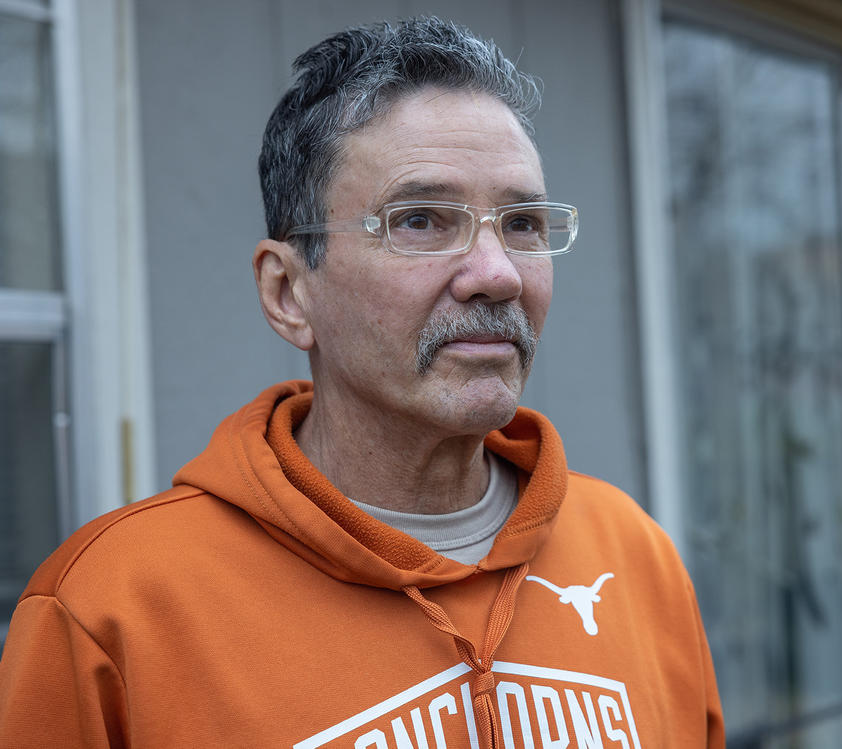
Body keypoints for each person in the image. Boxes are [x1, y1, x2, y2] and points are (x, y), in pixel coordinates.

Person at [0, 17, 724, 748]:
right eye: (419, 220)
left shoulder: (636, 558)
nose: (498, 273)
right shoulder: (111, 611)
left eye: (524, 223)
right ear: (288, 292)